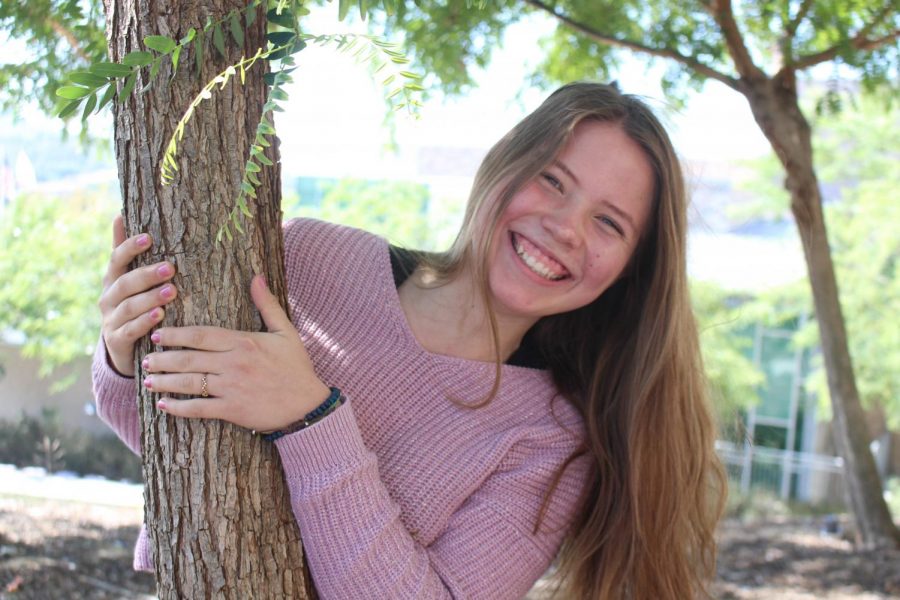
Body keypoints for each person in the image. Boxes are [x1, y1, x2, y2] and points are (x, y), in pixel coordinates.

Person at [93, 82, 726, 599]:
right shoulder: (313, 259)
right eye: (553, 181)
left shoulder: (555, 441)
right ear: (504, 160)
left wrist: (310, 419)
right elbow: (175, 444)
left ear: (631, 269)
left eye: (609, 222)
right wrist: (124, 356)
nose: (565, 228)